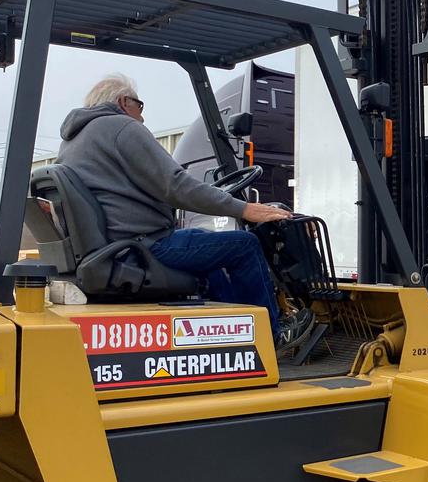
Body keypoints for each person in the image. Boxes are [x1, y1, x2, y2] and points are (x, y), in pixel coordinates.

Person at [57, 74, 296, 342]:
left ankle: (232, 333)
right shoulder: (122, 128)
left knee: (210, 248)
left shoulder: (72, 142)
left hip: (116, 246)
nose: (142, 117)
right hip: (145, 245)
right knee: (245, 244)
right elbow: (175, 185)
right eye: (140, 106)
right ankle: (270, 337)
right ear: (124, 102)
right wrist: (242, 209)